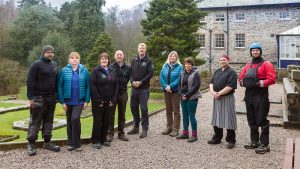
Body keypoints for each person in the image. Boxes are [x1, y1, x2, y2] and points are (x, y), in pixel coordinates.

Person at [239, 42, 276, 154]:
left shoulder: (267, 64)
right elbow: (241, 77)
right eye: (253, 50)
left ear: (260, 51)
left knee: (262, 120)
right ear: (251, 52)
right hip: (249, 96)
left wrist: (259, 83)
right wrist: (242, 82)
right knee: (252, 120)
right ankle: (254, 141)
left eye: (257, 50)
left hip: (261, 96)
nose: (255, 52)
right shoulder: (248, 64)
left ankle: (265, 144)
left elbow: (272, 79)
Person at [26, 45, 60, 156]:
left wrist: (56, 96)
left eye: (52, 52)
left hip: (51, 98)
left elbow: (56, 82)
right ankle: (31, 144)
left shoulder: (54, 65)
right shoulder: (36, 65)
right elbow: (30, 81)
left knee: (49, 121)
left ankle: (47, 142)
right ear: (43, 53)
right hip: (38, 98)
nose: (50, 54)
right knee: (35, 121)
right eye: (48, 52)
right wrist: (31, 98)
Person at [57, 52, 90, 151]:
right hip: (67, 101)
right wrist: (62, 102)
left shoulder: (84, 71)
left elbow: (88, 86)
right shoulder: (63, 71)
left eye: (76, 58)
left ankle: (77, 144)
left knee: (75, 119)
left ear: (79, 60)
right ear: (69, 60)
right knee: (69, 122)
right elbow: (59, 86)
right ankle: (70, 143)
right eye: (72, 58)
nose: (74, 59)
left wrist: (87, 100)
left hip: (79, 101)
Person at [207, 54, 238, 149]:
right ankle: (217, 137)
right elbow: (211, 83)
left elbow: (230, 86)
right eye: (221, 60)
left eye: (224, 60)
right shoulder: (217, 71)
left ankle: (231, 140)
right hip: (216, 97)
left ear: (228, 60)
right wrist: (213, 92)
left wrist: (219, 93)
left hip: (227, 98)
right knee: (216, 117)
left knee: (229, 118)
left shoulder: (232, 72)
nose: (222, 61)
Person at [90, 52, 118, 149]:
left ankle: (104, 139)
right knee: (98, 121)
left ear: (108, 60)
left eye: (106, 58)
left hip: (109, 102)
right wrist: (98, 100)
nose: (104, 60)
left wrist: (113, 99)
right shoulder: (95, 71)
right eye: (102, 58)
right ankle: (95, 141)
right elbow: (92, 86)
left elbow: (116, 86)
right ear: (99, 60)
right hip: (98, 102)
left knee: (106, 121)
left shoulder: (112, 71)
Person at [127, 43, 154, 138]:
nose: (141, 49)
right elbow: (129, 72)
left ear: (145, 50)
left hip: (144, 89)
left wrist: (141, 82)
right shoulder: (133, 60)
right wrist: (132, 81)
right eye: (140, 48)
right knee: (133, 108)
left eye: (143, 48)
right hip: (134, 89)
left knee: (143, 109)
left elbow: (150, 73)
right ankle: (135, 127)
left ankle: (145, 129)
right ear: (138, 49)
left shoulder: (149, 60)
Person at [107, 50, 130, 142]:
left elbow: (128, 78)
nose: (119, 56)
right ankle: (110, 132)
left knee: (122, 113)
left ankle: (121, 132)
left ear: (123, 57)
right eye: (117, 55)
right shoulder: (111, 67)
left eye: (121, 54)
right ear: (115, 56)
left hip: (123, 93)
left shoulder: (127, 67)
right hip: (112, 94)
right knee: (110, 114)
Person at [176, 57, 201, 143]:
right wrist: (181, 94)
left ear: (192, 65)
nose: (187, 65)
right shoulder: (182, 73)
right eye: (186, 64)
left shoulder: (196, 73)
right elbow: (179, 85)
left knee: (191, 115)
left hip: (192, 97)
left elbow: (196, 86)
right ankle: (185, 133)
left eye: (189, 64)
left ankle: (194, 135)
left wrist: (187, 95)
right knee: (184, 115)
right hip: (183, 96)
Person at [159, 51, 183, 137]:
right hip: (166, 91)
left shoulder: (180, 67)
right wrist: (166, 86)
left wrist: (170, 86)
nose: (172, 57)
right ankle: (169, 127)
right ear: (169, 57)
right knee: (168, 110)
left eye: (174, 56)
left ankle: (175, 129)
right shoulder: (165, 66)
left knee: (176, 111)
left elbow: (179, 78)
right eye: (171, 56)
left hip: (175, 92)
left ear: (176, 58)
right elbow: (161, 77)